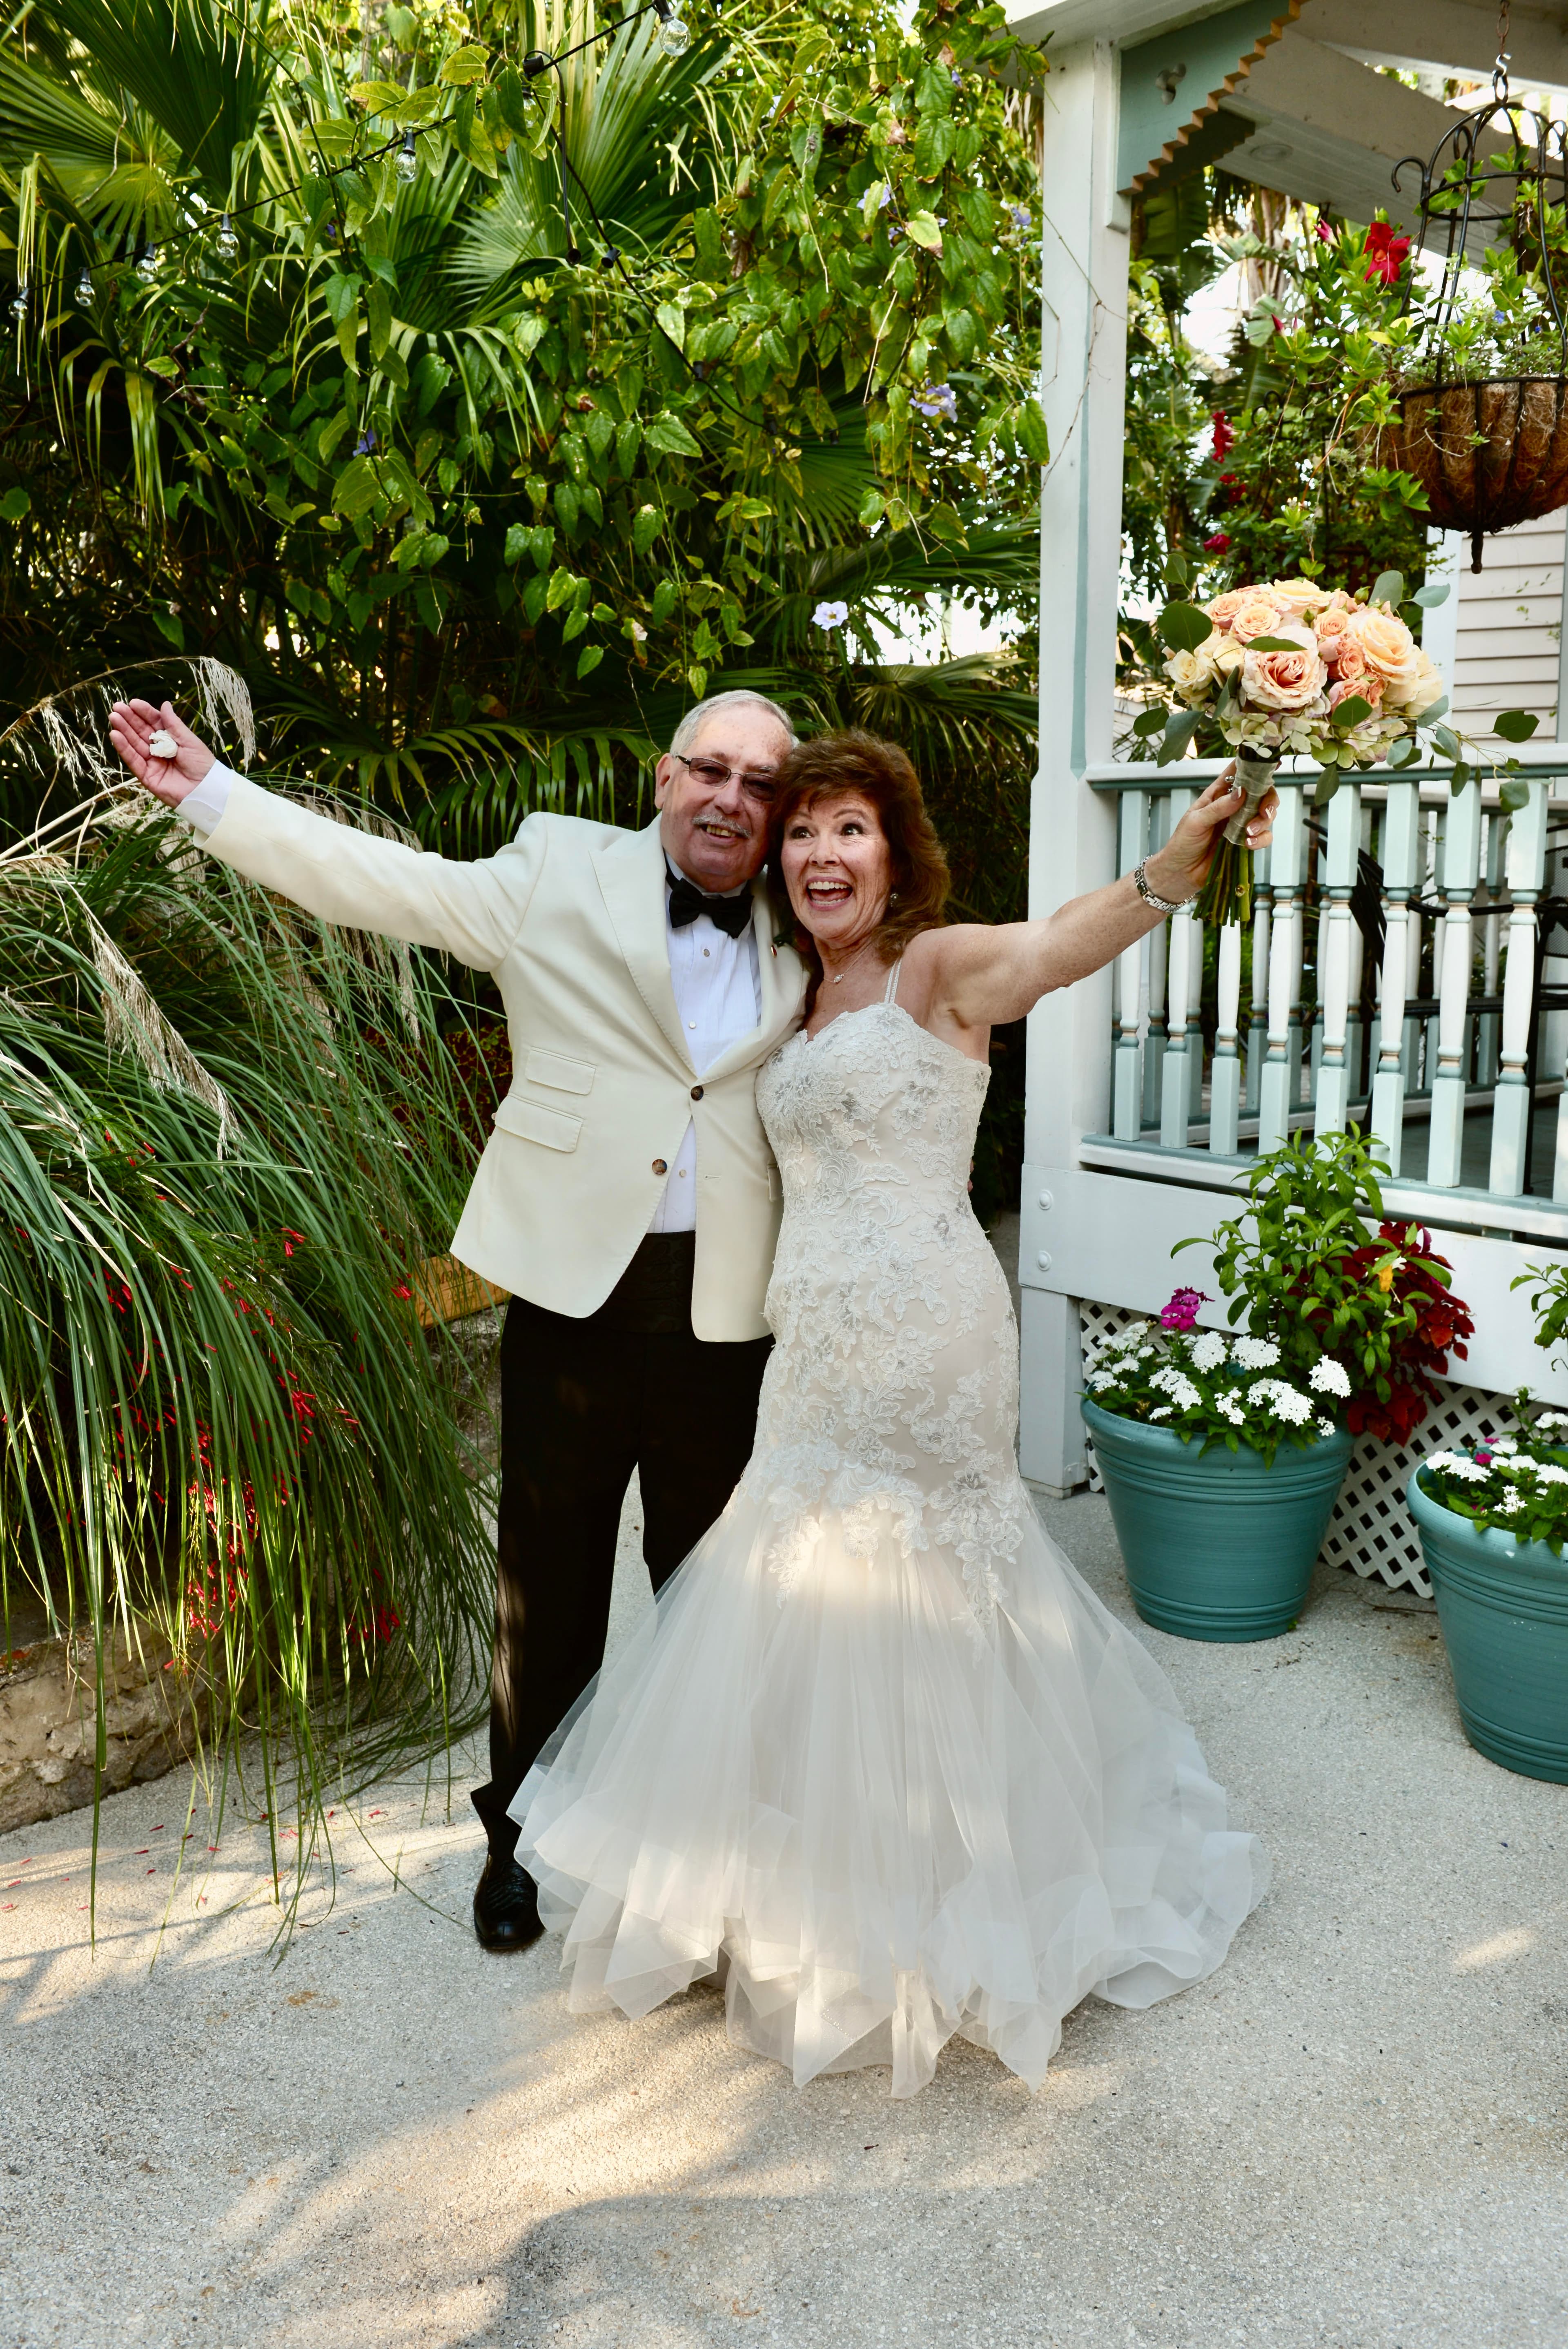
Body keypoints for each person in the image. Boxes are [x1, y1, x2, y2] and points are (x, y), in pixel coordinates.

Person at [511, 729, 1278, 2099]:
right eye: (801, 833)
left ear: (893, 851)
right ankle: (791, 1894)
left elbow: (1055, 948)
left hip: (922, 1332)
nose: (817, 853)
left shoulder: (934, 972)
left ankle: (944, 1906)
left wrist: (1170, 871)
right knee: (802, 1583)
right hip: (810, 1344)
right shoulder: (793, 997)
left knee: (922, 1572)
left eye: (847, 829)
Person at [107, 687, 807, 1954]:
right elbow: (384, 880)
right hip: (573, 1294)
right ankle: (520, 1841)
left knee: (713, 1598)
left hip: (731, 1307)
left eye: (763, 785)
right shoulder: (558, 868)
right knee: (548, 1591)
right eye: (713, 770)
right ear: (664, 779)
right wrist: (210, 794)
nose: (733, 800)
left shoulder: (808, 916)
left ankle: (707, 1856)